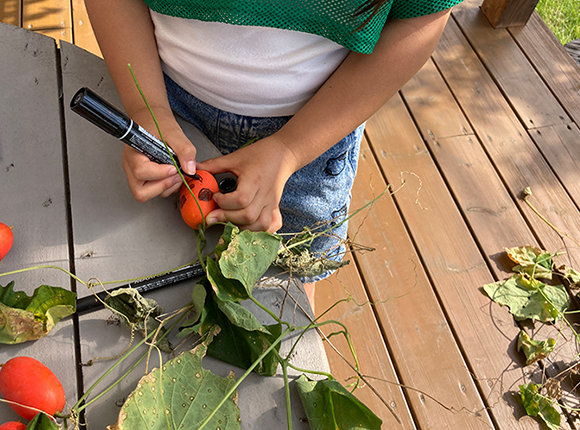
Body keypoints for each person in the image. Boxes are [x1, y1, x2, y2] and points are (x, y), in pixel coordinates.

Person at [84, 0, 463, 306]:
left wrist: (290, 149)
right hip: (168, 103)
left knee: (286, 287)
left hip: (316, 131)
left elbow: (422, 16)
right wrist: (146, 105)